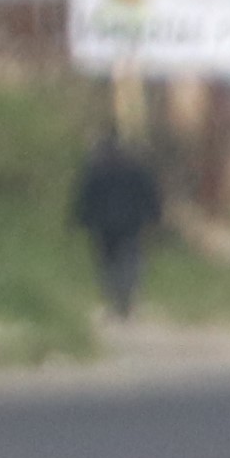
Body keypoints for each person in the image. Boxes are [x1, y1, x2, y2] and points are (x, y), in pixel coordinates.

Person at [72, 119, 162, 319]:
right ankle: (125, 300)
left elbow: (86, 195)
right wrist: (154, 216)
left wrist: (79, 219)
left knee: (107, 262)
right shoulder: (136, 166)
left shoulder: (97, 167)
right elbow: (149, 193)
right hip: (132, 222)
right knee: (129, 260)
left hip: (104, 222)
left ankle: (113, 300)